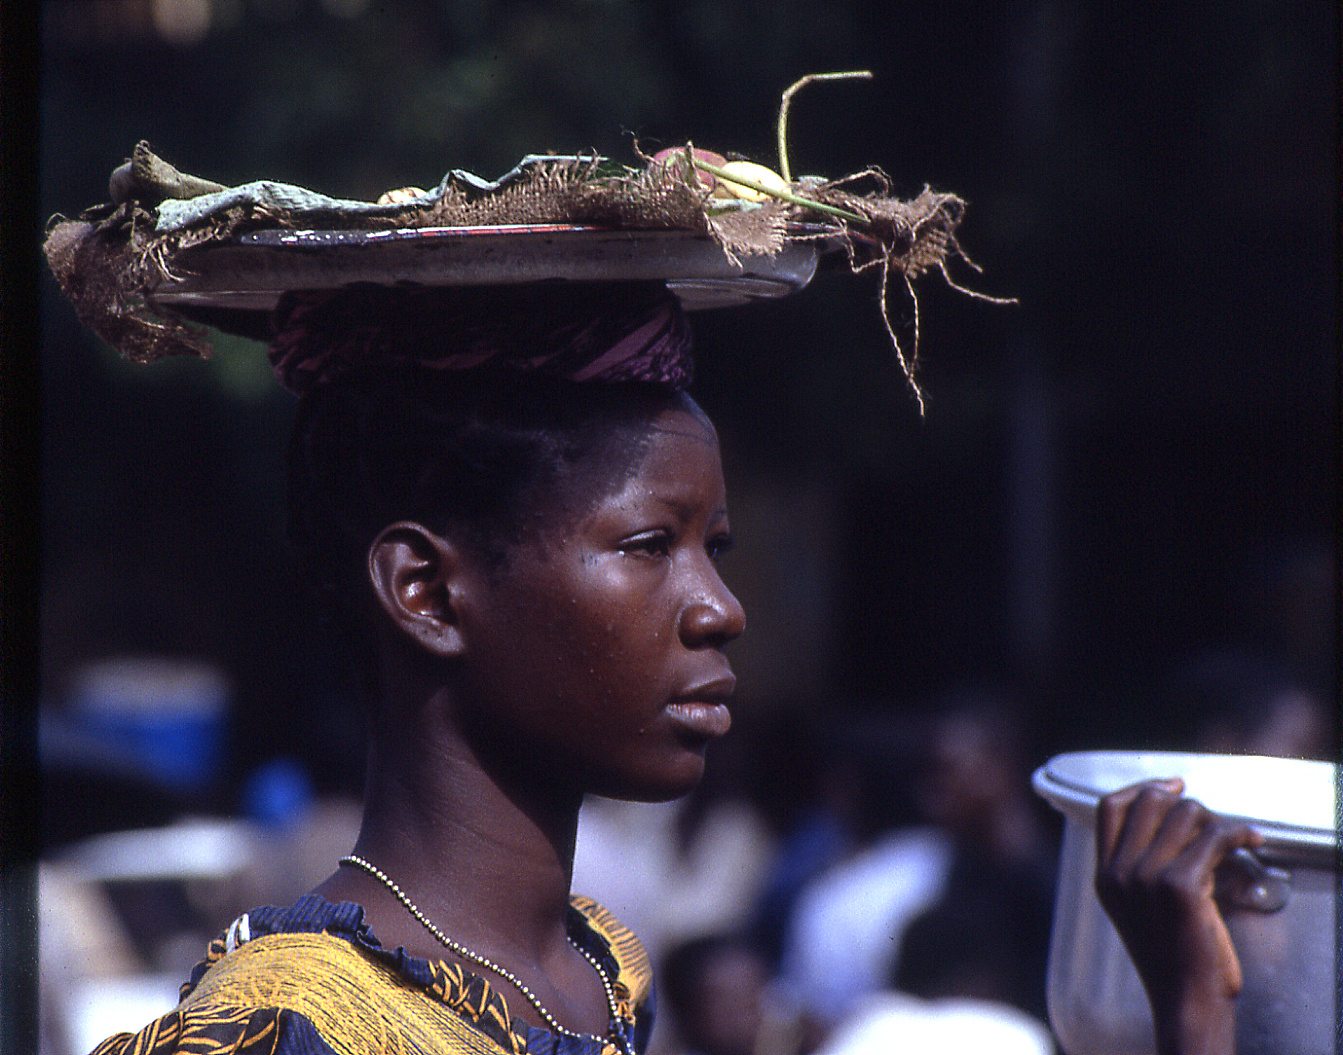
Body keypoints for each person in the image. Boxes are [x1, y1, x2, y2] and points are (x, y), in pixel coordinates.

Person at [51, 187, 1257, 1055]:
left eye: (714, 548)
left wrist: (1185, 1002)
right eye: (647, 546)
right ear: (425, 591)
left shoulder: (594, 967)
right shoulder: (291, 1027)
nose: (720, 608)